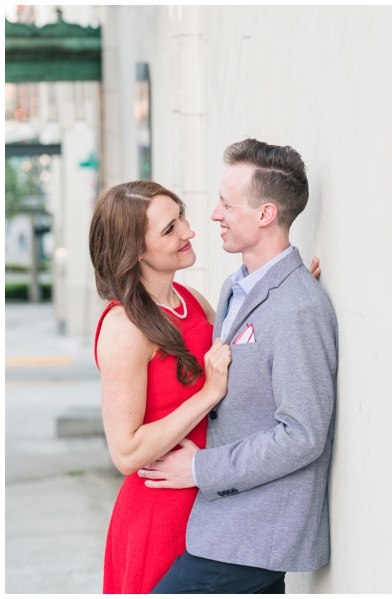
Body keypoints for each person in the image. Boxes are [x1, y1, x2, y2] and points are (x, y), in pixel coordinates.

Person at [90, 181, 320, 593]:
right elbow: (125, 452)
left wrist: (286, 295)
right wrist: (207, 395)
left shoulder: (190, 299)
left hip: (212, 502)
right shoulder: (124, 328)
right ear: (134, 250)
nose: (188, 231)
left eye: (181, 217)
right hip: (160, 510)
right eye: (169, 229)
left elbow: (244, 354)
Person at [139, 140, 338, 594]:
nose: (214, 215)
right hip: (223, 526)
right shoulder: (235, 287)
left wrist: (201, 468)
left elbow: (303, 435)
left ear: (265, 214)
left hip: (254, 535)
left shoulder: (299, 309)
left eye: (227, 204)